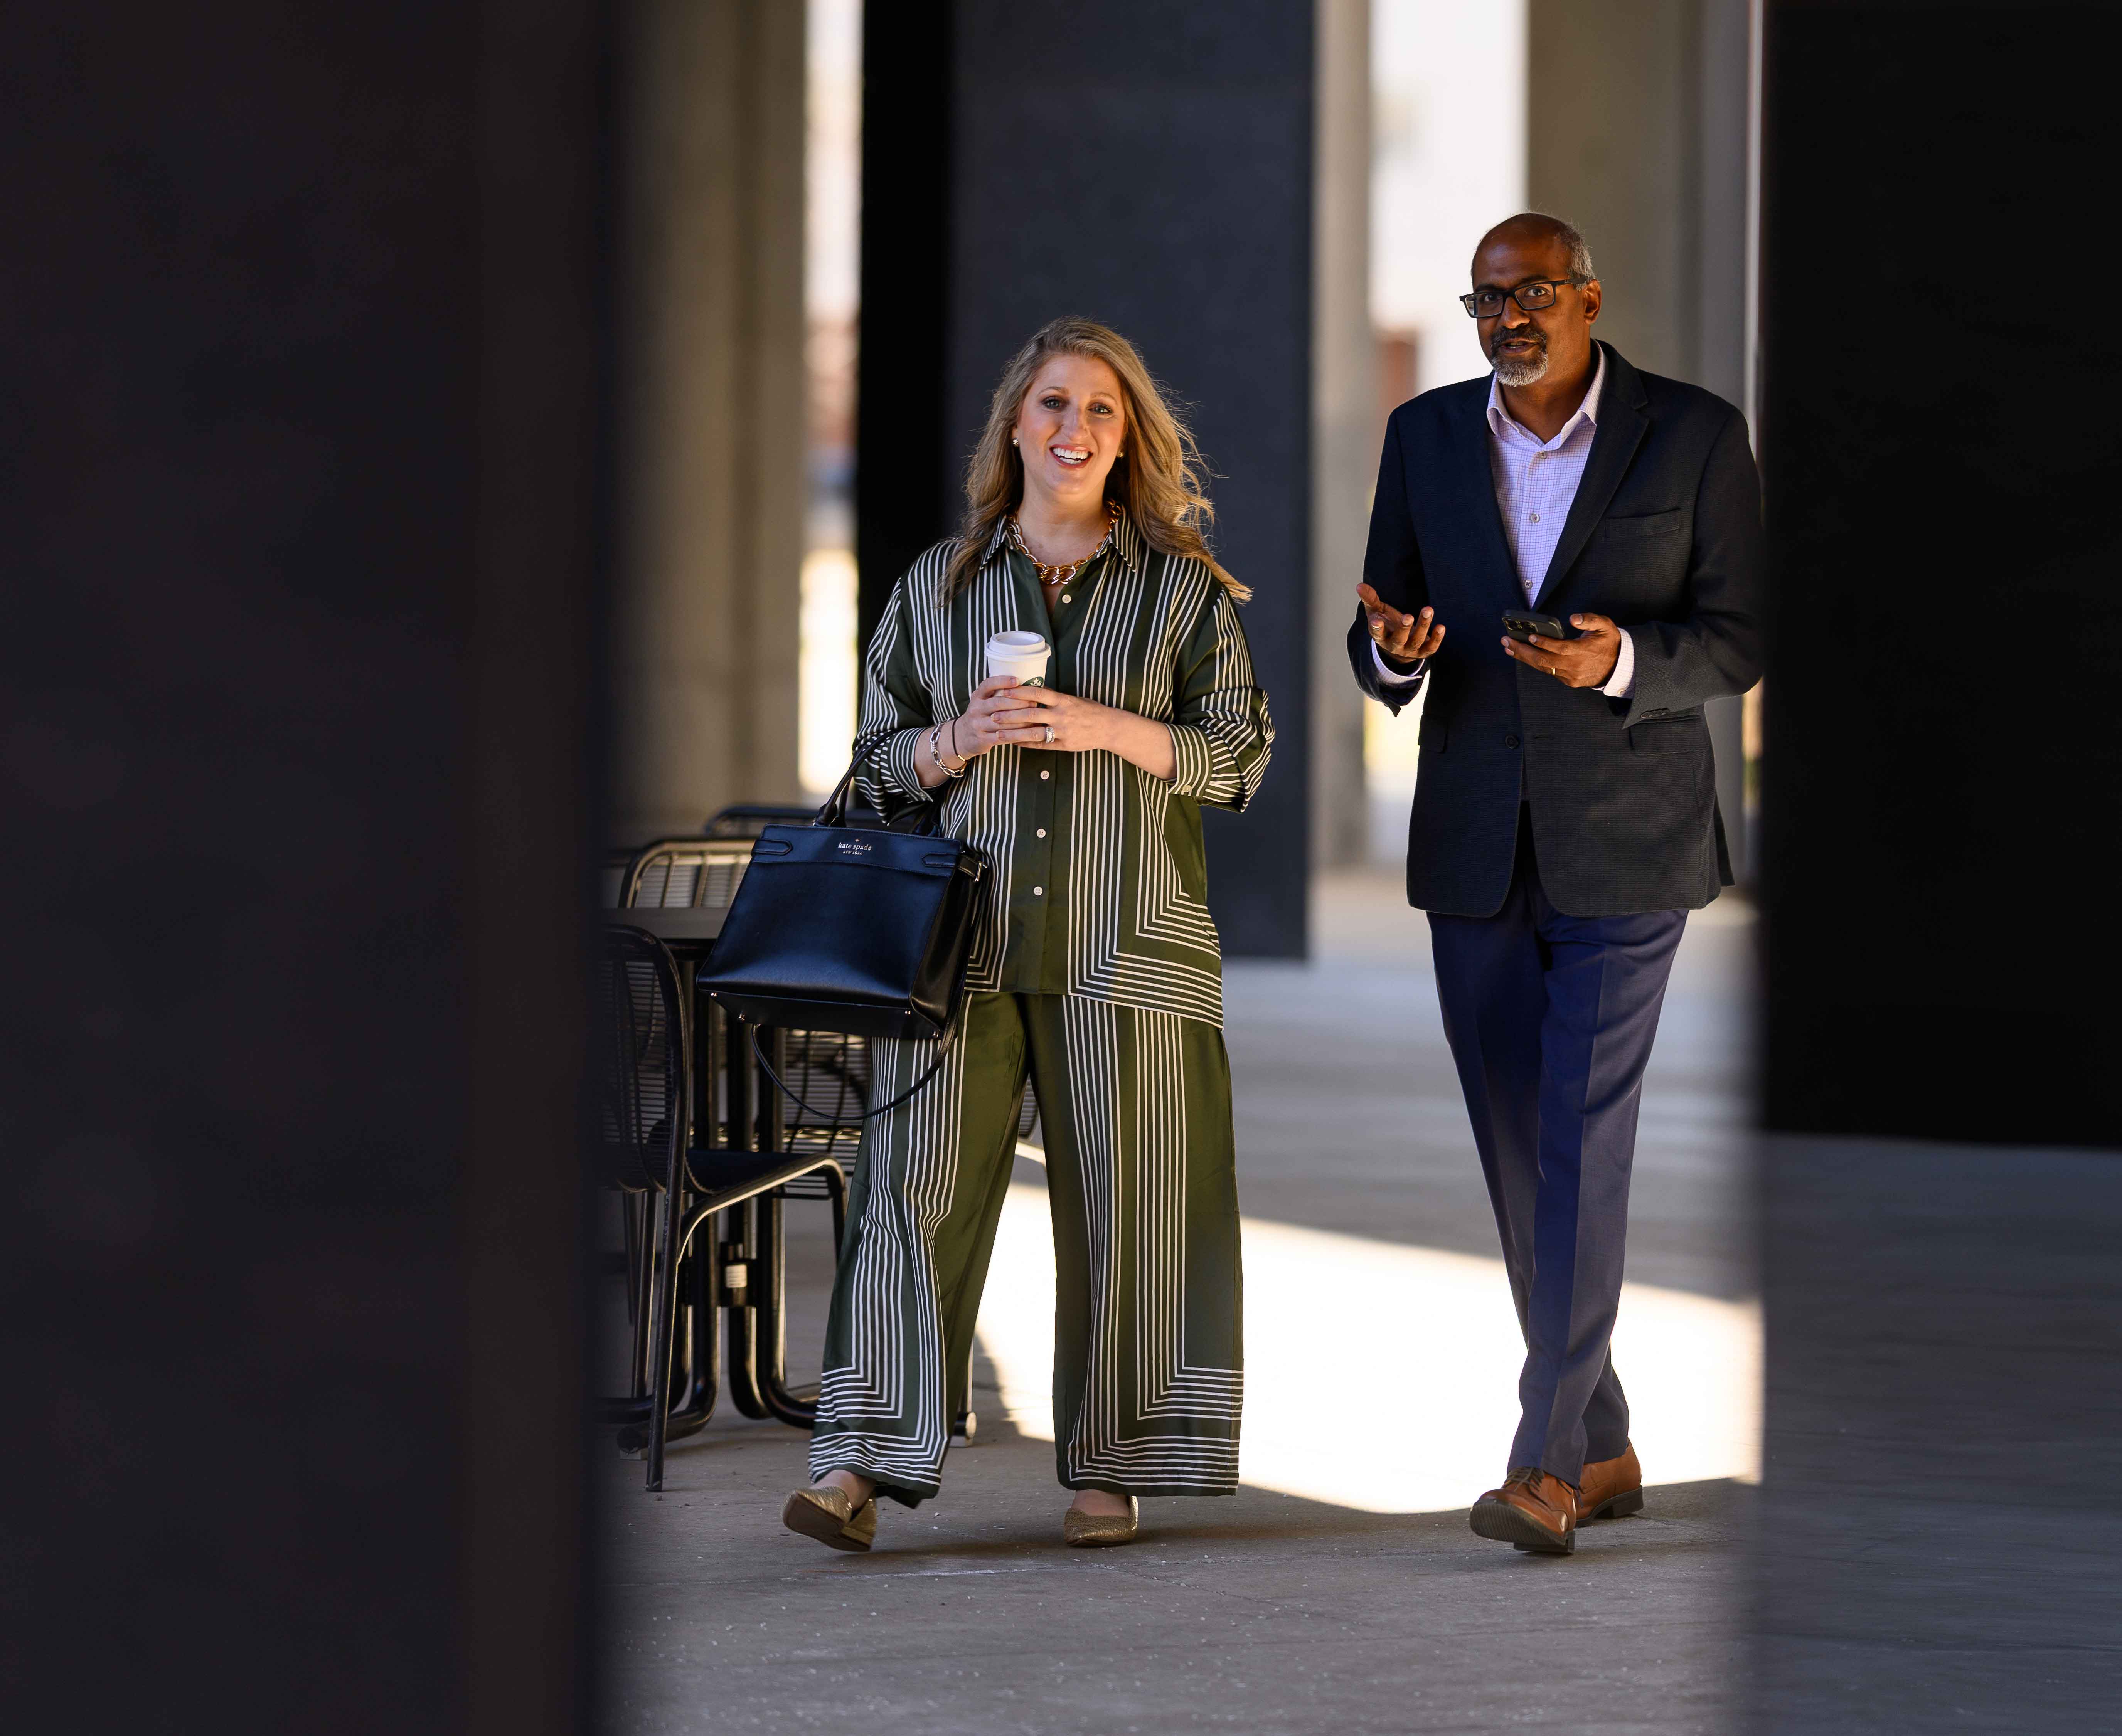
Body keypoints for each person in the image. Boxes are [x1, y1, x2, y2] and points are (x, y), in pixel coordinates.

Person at [783, 316, 1273, 1553]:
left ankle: (1116, 1470)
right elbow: (871, 768)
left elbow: (1239, 758)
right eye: (1054, 402)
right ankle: (855, 1463)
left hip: (1133, 947)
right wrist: (955, 741)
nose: (1075, 427)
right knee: (910, 1196)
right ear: (1016, 424)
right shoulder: (937, 588)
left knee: (1135, 1210)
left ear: (1130, 437)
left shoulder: (1184, 591)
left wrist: (1106, 727)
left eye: (1102, 408)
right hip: (960, 950)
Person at [1349, 214, 1763, 1554]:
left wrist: (1621, 661)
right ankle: (1605, 1440)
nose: (1507, 318)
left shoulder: (1693, 435)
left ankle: (1543, 1464)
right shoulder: (1424, 436)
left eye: (1532, 293)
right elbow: (1380, 625)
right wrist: (1394, 653)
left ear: (1589, 296)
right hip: (1475, 841)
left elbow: (1740, 637)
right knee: (1521, 1153)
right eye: (1487, 300)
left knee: (1583, 1135)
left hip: (1628, 840)